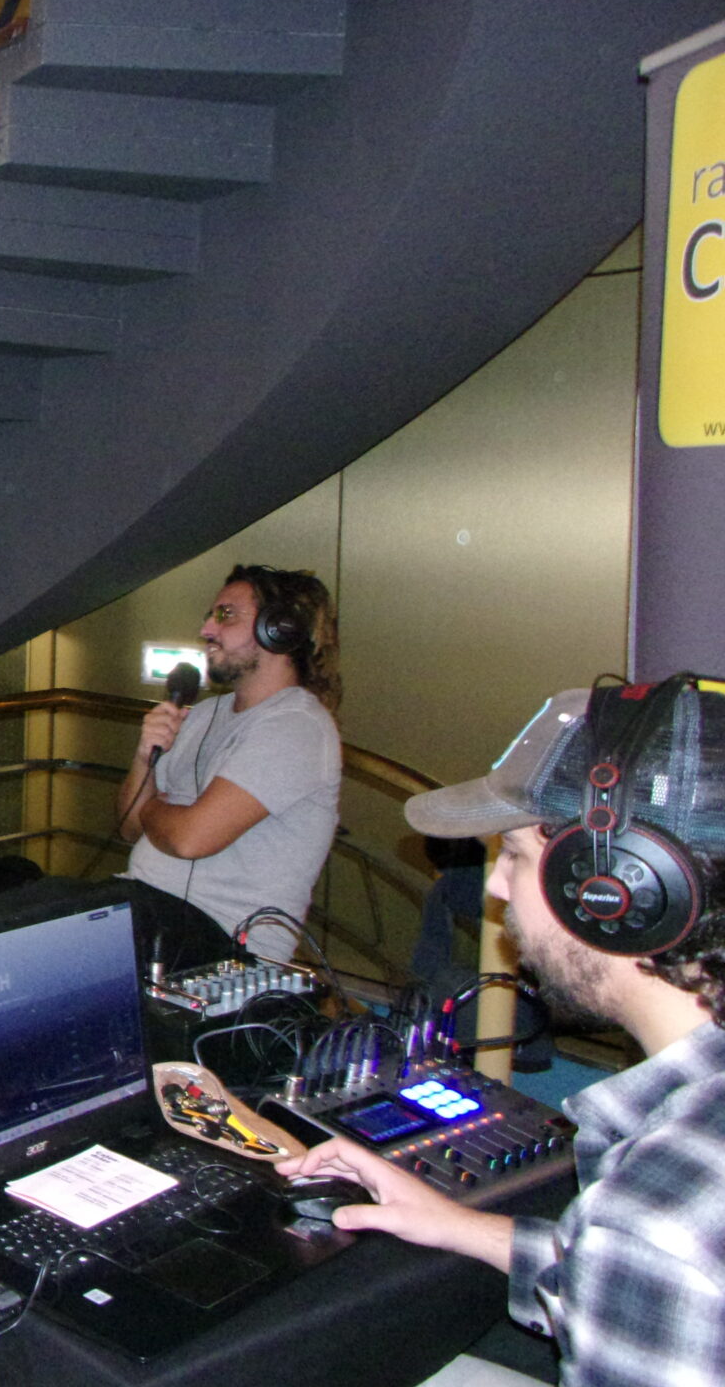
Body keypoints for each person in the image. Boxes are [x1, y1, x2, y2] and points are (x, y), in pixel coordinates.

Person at [282, 674, 725, 1386]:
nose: (494, 887)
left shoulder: (656, 1226)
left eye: (514, 855)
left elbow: (655, 1265)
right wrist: (458, 1225)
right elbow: (642, 1294)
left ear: (615, 891)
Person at [117, 564, 342, 963]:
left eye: (226, 615)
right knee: (20, 890)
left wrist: (154, 809)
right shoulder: (204, 715)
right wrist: (143, 756)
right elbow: (129, 828)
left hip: (222, 943)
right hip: (149, 909)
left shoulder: (296, 726)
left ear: (277, 630)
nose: (206, 629)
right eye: (211, 615)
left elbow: (189, 839)